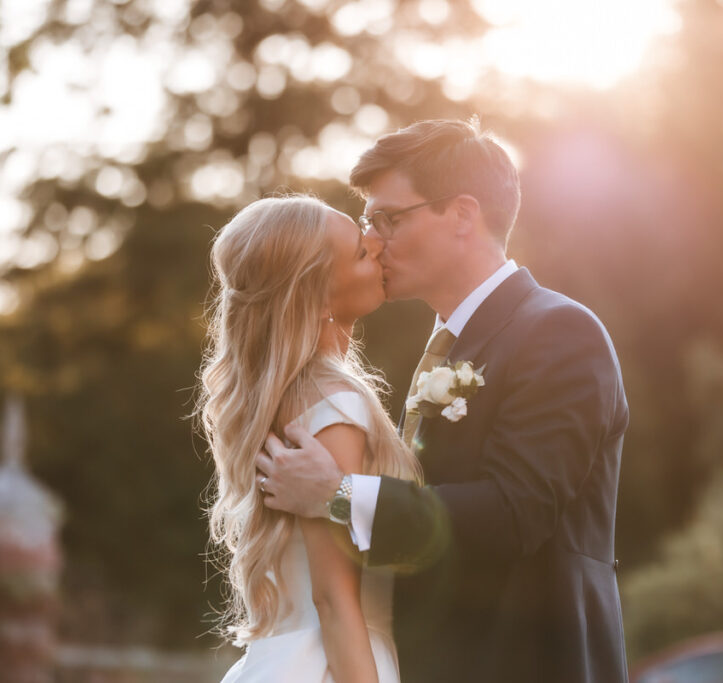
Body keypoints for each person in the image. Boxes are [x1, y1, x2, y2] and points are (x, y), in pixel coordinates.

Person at [255, 119, 630, 683]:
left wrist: (337, 496)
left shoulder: (559, 332)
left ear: (461, 215)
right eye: (369, 222)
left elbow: (514, 512)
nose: (375, 240)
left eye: (389, 218)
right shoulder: (448, 346)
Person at [196, 195, 418, 682]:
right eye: (361, 252)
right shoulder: (332, 403)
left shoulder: (287, 394)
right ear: (317, 298)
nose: (377, 246)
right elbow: (334, 598)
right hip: (338, 664)